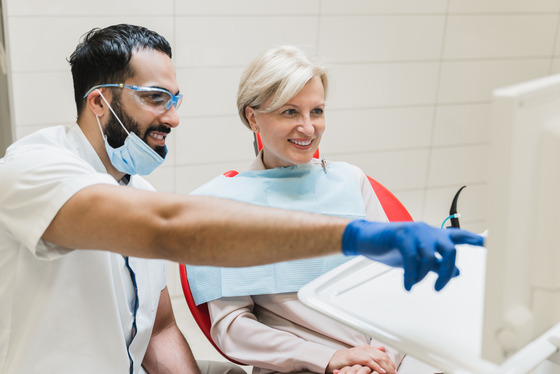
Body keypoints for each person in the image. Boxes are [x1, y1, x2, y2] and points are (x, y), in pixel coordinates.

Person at [0, 24, 482, 374]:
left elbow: (161, 327)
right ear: (100, 100)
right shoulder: (31, 168)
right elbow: (169, 229)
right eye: (154, 98)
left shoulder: (138, 189)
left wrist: (382, 357)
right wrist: (357, 236)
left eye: (175, 99)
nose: (173, 118)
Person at [185, 45, 444, 374]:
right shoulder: (217, 206)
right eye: (290, 112)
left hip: (388, 357)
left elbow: (394, 283)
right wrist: (328, 359)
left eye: (317, 111)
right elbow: (232, 328)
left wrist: (382, 358)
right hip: (301, 365)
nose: (308, 128)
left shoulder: (350, 181)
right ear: (253, 117)